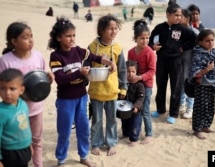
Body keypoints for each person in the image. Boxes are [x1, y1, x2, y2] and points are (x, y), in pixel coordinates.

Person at [48, 17, 116, 166]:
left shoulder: (79, 51)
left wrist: (109, 62)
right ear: (59, 38)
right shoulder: (56, 56)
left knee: (83, 128)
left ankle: (84, 156)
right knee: (64, 131)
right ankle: (61, 159)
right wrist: (79, 72)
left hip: (82, 98)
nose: (72, 39)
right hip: (65, 100)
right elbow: (60, 79)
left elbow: (95, 57)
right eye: (68, 36)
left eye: (73, 35)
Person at [0, 21, 54, 167]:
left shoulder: (38, 56)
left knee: (37, 141)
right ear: (14, 41)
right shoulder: (5, 61)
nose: (31, 40)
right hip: (14, 112)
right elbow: (3, 87)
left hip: (36, 108)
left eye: (31, 36)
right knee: (17, 143)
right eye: (25, 37)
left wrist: (49, 78)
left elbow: (42, 79)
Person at [150, 4, 196, 124]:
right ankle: (160, 110)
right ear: (168, 14)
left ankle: (173, 114)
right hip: (161, 61)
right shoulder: (159, 28)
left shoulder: (182, 29)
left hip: (176, 62)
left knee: (176, 88)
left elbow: (194, 40)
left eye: (180, 15)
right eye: (176, 15)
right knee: (160, 86)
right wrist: (153, 46)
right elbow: (151, 40)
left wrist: (182, 48)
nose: (178, 17)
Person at [88, 14, 127, 156]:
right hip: (96, 91)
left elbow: (122, 69)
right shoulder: (92, 47)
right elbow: (86, 66)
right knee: (97, 119)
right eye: (110, 29)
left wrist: (123, 88)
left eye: (115, 28)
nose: (113, 31)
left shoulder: (118, 48)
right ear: (102, 30)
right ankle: (96, 143)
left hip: (112, 90)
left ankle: (111, 143)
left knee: (111, 119)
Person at [188, 29, 215, 140]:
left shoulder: (214, 52)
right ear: (200, 42)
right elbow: (194, 73)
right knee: (200, 107)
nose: (210, 43)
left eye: (212, 40)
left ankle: (206, 126)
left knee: (210, 106)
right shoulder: (197, 54)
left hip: (213, 83)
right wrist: (207, 69)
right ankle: (197, 130)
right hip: (202, 85)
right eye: (207, 41)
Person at [127, 19, 156, 144]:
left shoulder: (149, 52)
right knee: (133, 108)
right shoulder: (130, 52)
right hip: (134, 85)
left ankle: (149, 133)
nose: (145, 41)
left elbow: (152, 71)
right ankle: (133, 131)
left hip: (146, 85)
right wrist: (130, 78)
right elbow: (129, 68)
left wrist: (140, 78)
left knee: (144, 109)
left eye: (147, 38)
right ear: (135, 38)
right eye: (142, 38)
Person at [0, 68, 32, 167]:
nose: (7, 93)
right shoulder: (1, 112)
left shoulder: (23, 104)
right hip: (9, 153)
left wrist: (30, 145)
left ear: (21, 90)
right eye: (3, 88)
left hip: (24, 149)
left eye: (12, 89)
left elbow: (26, 126)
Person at [179, 9, 199, 119]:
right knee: (181, 85)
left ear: (187, 18)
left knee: (190, 85)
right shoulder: (177, 32)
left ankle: (190, 108)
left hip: (191, 65)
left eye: (180, 16)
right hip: (180, 64)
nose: (178, 18)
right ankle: (181, 105)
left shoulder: (195, 33)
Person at [120, 60, 145, 147]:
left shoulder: (139, 84)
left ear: (136, 72)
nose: (130, 74)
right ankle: (125, 134)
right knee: (124, 122)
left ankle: (134, 139)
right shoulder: (123, 83)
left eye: (133, 71)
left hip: (135, 109)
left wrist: (137, 106)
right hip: (125, 109)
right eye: (128, 71)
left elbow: (141, 97)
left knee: (135, 124)